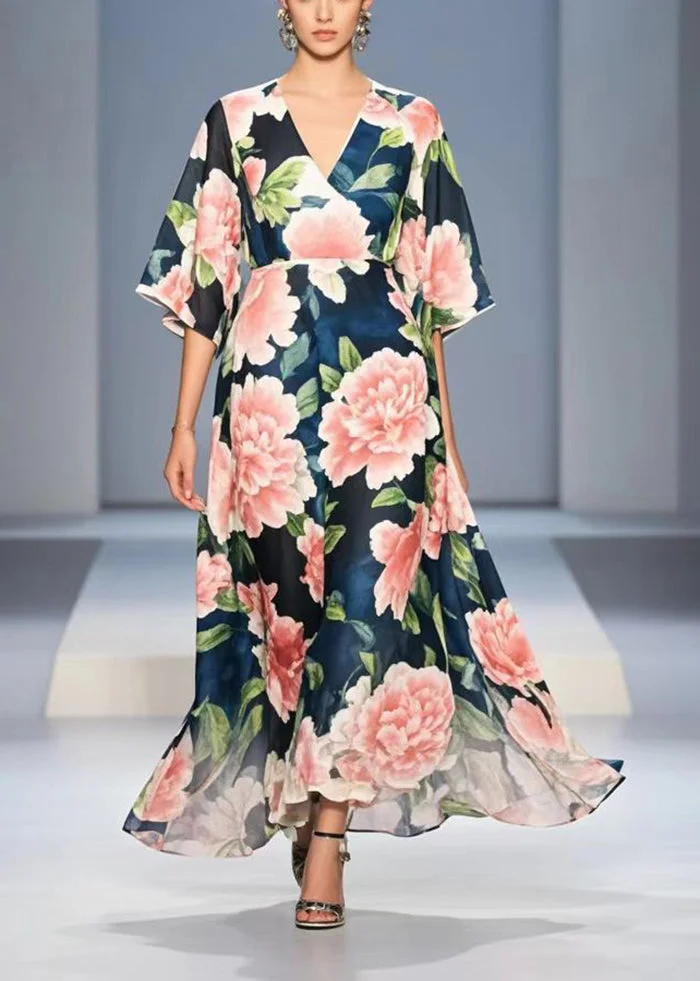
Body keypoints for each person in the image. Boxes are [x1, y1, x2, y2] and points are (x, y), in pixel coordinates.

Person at [122, 0, 625, 931]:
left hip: (386, 408)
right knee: (286, 620)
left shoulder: (415, 124)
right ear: (282, 4)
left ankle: (328, 838)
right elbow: (207, 278)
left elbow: (431, 296)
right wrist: (182, 424)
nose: (323, 7)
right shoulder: (234, 120)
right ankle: (304, 790)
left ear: (366, 4)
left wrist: (449, 439)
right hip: (267, 411)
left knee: (364, 615)